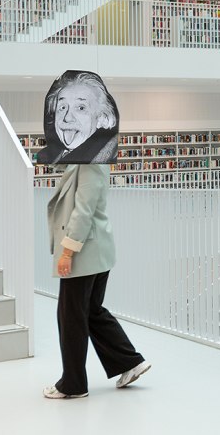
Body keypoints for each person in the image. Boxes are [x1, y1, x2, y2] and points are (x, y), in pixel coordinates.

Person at [42, 163, 151, 399]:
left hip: (85, 253)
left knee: (71, 317)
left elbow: (84, 210)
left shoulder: (90, 163)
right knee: (91, 311)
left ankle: (73, 384)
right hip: (95, 251)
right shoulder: (89, 159)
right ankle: (130, 362)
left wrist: (68, 252)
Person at [37, 71, 119, 165]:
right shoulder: (46, 157)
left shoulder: (108, 158)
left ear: (102, 119)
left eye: (81, 108)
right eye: (62, 107)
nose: (67, 118)